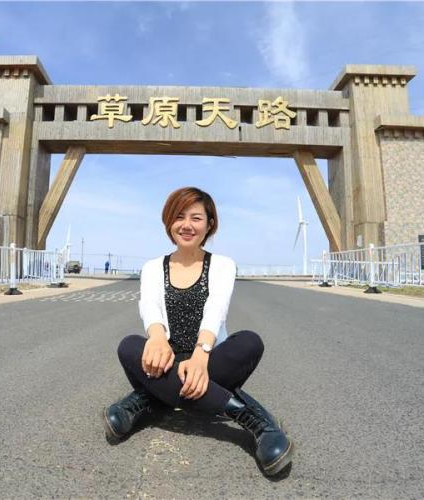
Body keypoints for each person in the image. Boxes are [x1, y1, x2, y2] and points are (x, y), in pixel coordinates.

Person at [102, 186, 293, 476]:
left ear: (209, 224)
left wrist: (202, 355)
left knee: (249, 342)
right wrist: (156, 337)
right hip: (168, 362)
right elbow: (150, 306)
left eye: (196, 218)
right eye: (179, 217)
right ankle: (254, 419)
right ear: (168, 222)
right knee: (129, 345)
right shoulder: (153, 267)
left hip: (209, 357)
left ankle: (146, 400)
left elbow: (216, 308)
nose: (187, 225)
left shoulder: (222, 265)